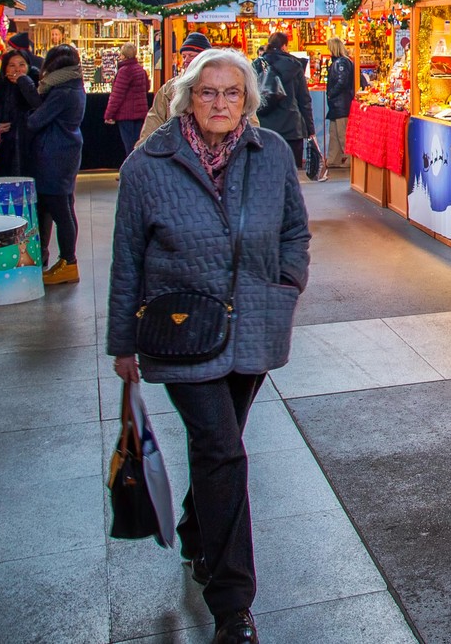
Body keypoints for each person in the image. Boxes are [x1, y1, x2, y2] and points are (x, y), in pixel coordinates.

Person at [110, 49, 309, 644]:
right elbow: (127, 260)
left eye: (231, 93)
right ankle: (232, 605)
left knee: (221, 445)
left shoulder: (270, 153)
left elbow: (295, 229)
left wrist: (286, 284)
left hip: (254, 326)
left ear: (248, 100)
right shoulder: (148, 165)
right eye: (207, 93)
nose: (219, 104)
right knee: (222, 451)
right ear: (185, 98)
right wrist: (123, 343)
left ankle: (198, 529)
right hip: (180, 331)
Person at [26, 44, 87, 284]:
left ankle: (68, 262)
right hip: (66, 152)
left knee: (59, 209)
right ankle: (65, 261)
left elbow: (35, 121)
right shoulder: (74, 85)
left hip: (54, 154)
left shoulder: (62, 91)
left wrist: (26, 87)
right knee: (64, 206)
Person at [255, 33, 313, 171]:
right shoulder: (296, 66)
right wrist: (310, 130)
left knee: (267, 172)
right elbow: (304, 100)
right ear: (284, 46)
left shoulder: (258, 65)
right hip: (292, 126)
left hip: (265, 126)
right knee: (292, 173)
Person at [140, 32, 209, 146]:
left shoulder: (219, 85)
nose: (186, 60)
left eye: (191, 56)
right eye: (184, 56)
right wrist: (142, 150)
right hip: (175, 152)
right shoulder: (169, 88)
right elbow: (154, 120)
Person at [0, 48, 39, 178]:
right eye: (12, 65)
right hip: (4, 149)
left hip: (33, 147)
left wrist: (25, 84)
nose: (17, 70)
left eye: (22, 65)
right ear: (5, 69)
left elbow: (40, 107)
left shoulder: (38, 86)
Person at [105, 43, 152, 153]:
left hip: (126, 114)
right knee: (138, 144)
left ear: (123, 55)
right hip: (140, 113)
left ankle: (131, 169)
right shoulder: (141, 70)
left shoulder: (124, 71)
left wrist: (109, 114)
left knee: (129, 146)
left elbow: (117, 95)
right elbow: (147, 87)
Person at [322, 37, 355, 174]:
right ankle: (333, 159)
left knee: (341, 133)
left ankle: (348, 159)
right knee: (335, 133)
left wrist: (331, 93)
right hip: (339, 103)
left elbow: (342, 82)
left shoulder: (341, 62)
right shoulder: (342, 62)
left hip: (340, 103)